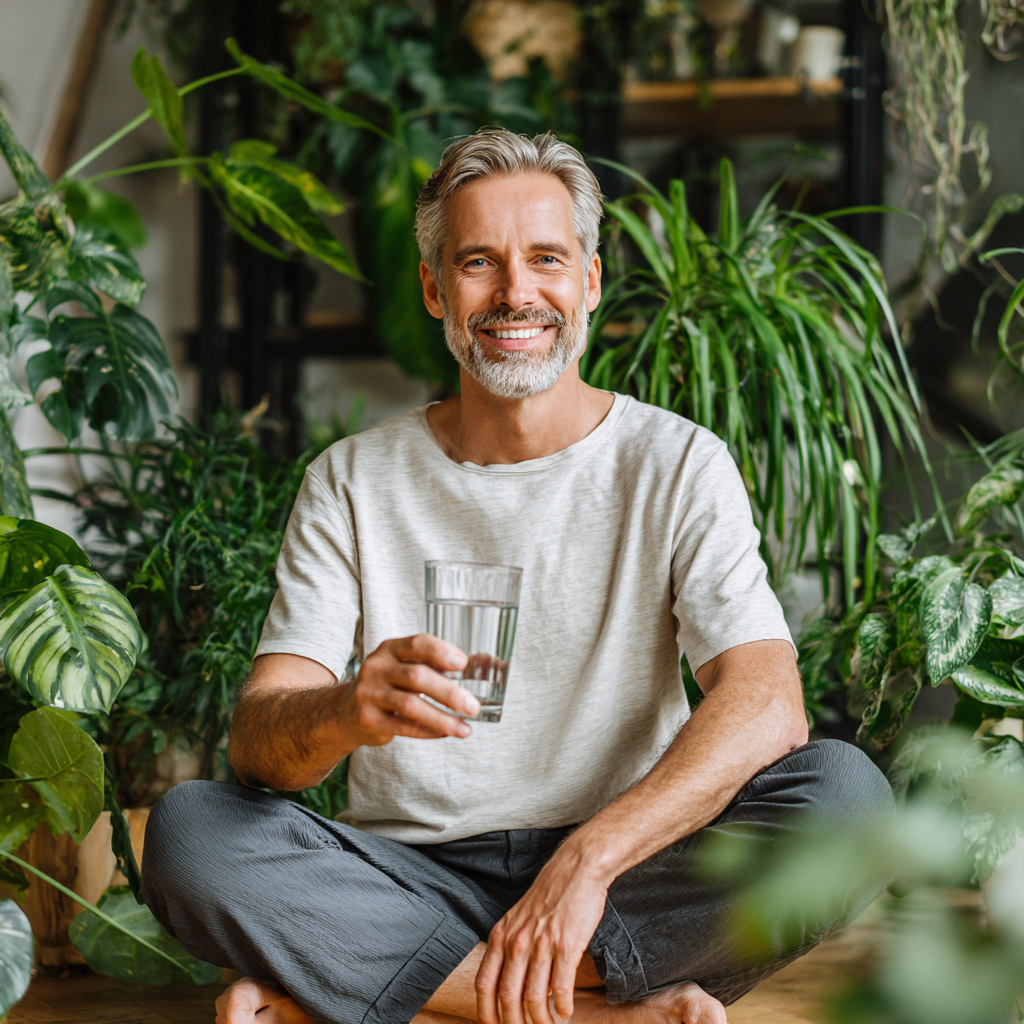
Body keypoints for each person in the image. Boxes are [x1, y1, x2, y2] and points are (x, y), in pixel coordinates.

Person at [141, 128, 893, 1024]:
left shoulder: (678, 463)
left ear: (590, 281)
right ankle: (602, 1012)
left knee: (847, 801)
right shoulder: (351, 480)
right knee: (191, 833)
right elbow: (261, 747)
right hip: (412, 875)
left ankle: (385, 995)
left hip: (620, 877)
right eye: (478, 263)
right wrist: (345, 709)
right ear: (433, 289)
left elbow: (770, 703)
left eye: (545, 258)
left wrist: (589, 859)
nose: (515, 293)